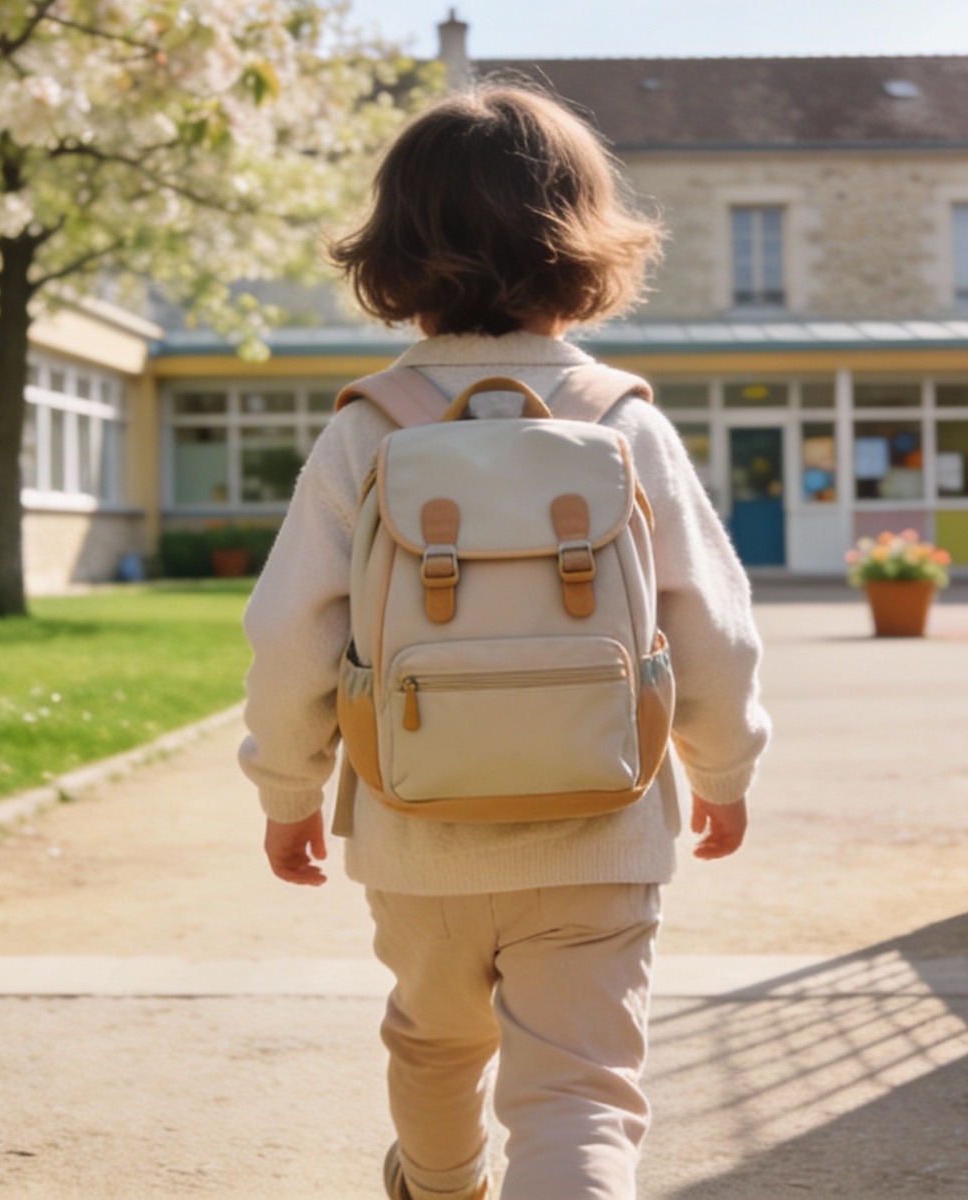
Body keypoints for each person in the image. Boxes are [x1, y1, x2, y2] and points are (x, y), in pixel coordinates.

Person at [238, 85, 771, 1200]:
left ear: (394, 249)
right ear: (585, 242)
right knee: (579, 1088)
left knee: (433, 1044)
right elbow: (708, 623)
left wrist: (288, 792)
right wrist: (721, 770)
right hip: (601, 820)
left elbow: (291, 632)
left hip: (414, 820)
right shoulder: (621, 418)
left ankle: (439, 1188)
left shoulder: (366, 428)